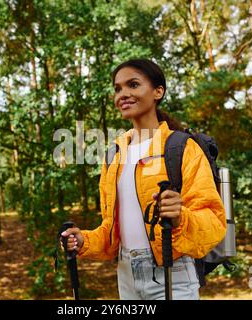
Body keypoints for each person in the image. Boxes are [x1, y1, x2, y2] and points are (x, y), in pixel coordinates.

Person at [61, 58, 226, 300]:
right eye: (118, 88)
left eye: (133, 85)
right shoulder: (114, 155)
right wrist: (84, 239)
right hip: (125, 274)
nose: (123, 94)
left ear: (158, 91)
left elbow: (213, 221)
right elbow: (111, 230)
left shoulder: (182, 147)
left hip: (173, 272)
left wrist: (181, 216)